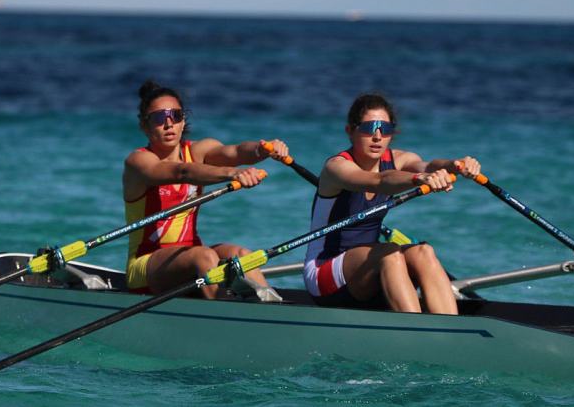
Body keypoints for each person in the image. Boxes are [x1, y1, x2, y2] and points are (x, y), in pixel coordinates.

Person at [304, 93, 482, 315]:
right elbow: (379, 181)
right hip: (324, 274)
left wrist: (455, 165)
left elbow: (427, 166)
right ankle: (414, 332)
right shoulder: (337, 168)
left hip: (370, 269)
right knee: (389, 252)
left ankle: (450, 330)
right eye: (369, 128)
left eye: (385, 130)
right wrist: (418, 180)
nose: (377, 137)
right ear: (351, 131)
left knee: (423, 251)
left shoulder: (400, 159)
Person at [123, 80, 289, 299]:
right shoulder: (139, 162)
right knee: (204, 257)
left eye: (176, 115)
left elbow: (236, 152)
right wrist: (232, 174)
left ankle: (273, 313)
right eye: (159, 118)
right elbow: (181, 172)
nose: (169, 123)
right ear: (145, 126)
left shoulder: (199, 151)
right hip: (145, 266)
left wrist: (263, 149)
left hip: (191, 257)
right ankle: (225, 317)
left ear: (183, 122)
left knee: (242, 255)